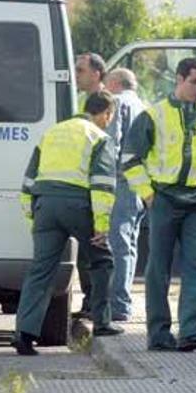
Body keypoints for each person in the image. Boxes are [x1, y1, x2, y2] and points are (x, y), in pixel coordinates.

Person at [122, 58, 196, 352]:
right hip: (164, 199)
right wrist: (149, 195)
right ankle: (158, 334)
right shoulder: (153, 115)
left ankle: (192, 331)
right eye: (194, 81)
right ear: (178, 80)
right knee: (158, 268)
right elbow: (130, 160)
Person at [13, 91, 124, 356]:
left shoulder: (52, 132)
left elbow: (29, 180)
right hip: (78, 206)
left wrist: (33, 216)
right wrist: (101, 226)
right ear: (105, 113)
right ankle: (103, 322)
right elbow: (102, 185)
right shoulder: (99, 137)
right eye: (110, 117)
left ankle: (24, 334)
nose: (109, 122)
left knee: (41, 270)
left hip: (45, 207)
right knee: (101, 260)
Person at [103, 68, 148, 322]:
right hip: (140, 181)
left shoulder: (118, 102)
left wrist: (106, 177)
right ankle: (122, 302)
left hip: (122, 180)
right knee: (129, 242)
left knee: (118, 242)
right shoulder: (143, 104)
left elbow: (113, 142)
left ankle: (118, 305)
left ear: (115, 83)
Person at [71, 52, 108, 318]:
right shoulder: (80, 101)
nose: (76, 74)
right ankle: (90, 300)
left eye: (81, 70)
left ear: (97, 73)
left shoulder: (108, 103)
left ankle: (99, 304)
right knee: (86, 249)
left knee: (99, 245)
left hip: (100, 182)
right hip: (80, 180)